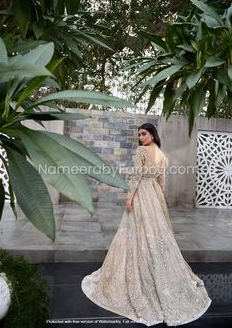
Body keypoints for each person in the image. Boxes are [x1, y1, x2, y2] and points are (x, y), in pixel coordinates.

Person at [81, 123, 211, 326]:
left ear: (152, 134)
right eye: (139, 135)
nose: (140, 137)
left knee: (136, 231)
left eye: (144, 133)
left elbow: (136, 176)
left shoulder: (142, 151)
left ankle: (142, 268)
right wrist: (159, 199)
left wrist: (129, 198)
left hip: (142, 193)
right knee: (155, 234)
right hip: (154, 195)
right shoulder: (162, 154)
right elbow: (162, 180)